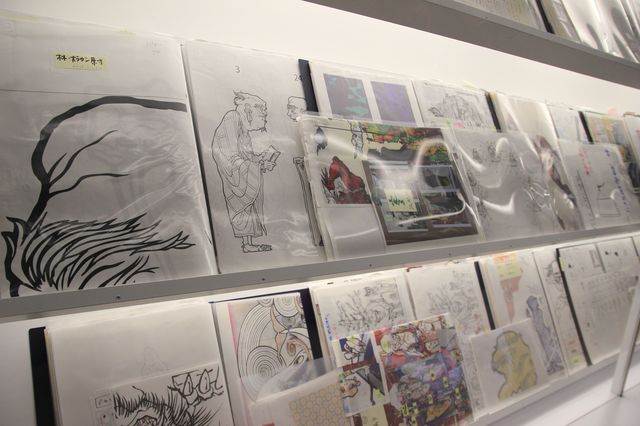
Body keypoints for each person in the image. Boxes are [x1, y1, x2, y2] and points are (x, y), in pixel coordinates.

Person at [212, 92, 275, 253]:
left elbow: (246, 155)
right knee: (242, 207)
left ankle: (248, 244)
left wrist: (260, 161)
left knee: (249, 207)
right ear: (248, 109)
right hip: (234, 171)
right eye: (261, 110)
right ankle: (247, 244)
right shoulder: (232, 118)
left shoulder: (243, 127)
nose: (264, 114)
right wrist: (255, 166)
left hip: (242, 169)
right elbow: (228, 154)